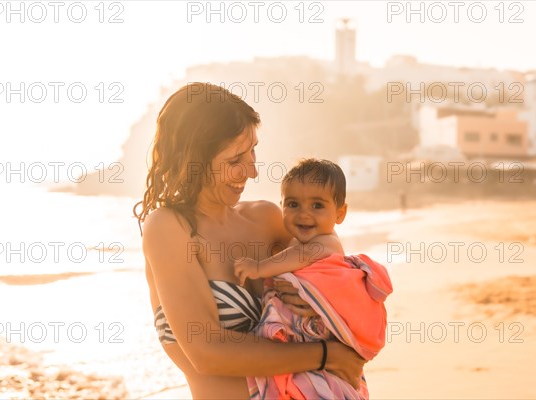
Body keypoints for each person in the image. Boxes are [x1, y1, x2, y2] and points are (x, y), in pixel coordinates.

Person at [133, 83, 366, 399]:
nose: (252, 171)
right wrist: (326, 355)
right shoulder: (168, 228)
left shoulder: (266, 220)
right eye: (234, 160)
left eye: (253, 150)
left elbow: (340, 285)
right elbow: (208, 352)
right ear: (194, 160)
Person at [234, 159, 393, 399]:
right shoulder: (298, 241)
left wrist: (258, 268)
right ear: (282, 206)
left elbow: (301, 256)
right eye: (293, 204)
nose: (304, 213)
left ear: (340, 213)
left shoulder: (324, 243)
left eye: (317, 205)